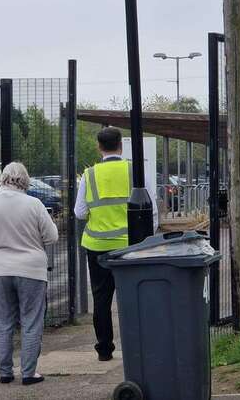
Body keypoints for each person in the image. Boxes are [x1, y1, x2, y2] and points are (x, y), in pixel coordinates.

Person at [73, 127, 158, 362]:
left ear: (99, 147)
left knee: (101, 299)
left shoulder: (89, 175)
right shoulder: (135, 171)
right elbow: (152, 208)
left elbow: (79, 213)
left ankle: (104, 349)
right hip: (129, 247)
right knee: (132, 295)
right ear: (121, 146)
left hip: (97, 246)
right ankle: (136, 343)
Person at [0, 162, 58, 386]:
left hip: (0, 269)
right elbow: (52, 236)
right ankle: (29, 373)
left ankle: (5, 371)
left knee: (2, 322)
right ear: (25, 179)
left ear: (3, 178)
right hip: (32, 269)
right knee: (31, 321)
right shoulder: (34, 204)